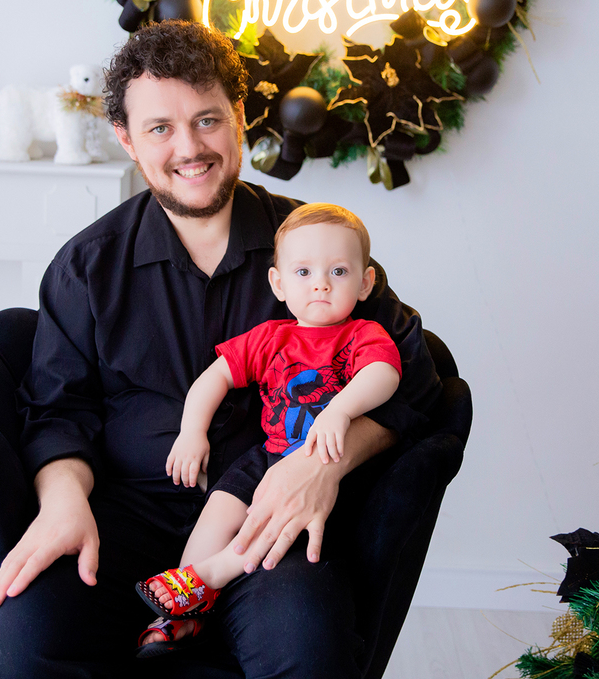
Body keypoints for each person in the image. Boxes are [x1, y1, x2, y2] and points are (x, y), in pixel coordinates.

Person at [0, 20, 441, 679]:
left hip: (269, 525)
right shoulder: (86, 266)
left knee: (310, 648)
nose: (189, 148)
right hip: (117, 519)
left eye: (206, 120)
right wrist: (62, 503)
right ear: (127, 141)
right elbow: (57, 414)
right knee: (26, 645)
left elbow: (418, 386)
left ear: (240, 116)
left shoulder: (316, 248)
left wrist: (322, 467)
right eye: (160, 128)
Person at [135, 204, 402, 651]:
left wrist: (340, 410)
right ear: (278, 283)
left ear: (365, 282)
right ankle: (182, 609)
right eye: (303, 272)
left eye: (338, 271)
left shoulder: (361, 335)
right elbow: (215, 377)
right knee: (219, 507)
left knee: (275, 524)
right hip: (269, 454)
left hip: (325, 462)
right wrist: (191, 432)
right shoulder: (272, 337)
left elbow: (384, 375)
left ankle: (216, 572)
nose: (320, 283)